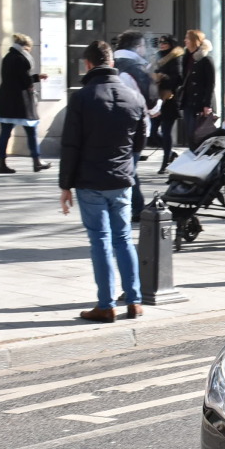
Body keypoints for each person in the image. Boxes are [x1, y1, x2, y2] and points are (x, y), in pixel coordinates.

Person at [58, 40, 145, 324]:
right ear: (113, 64)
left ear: (88, 64)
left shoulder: (82, 98)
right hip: (121, 179)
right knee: (123, 238)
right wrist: (126, 163)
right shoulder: (133, 96)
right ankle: (134, 301)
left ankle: (106, 305)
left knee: (101, 241)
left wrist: (65, 185)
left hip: (90, 179)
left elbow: (70, 144)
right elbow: (141, 140)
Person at [112, 30, 161, 222]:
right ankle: (135, 206)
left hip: (106, 124)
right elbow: (152, 104)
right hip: (134, 126)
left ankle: (130, 205)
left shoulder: (109, 64)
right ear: (139, 46)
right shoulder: (139, 68)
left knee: (123, 167)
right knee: (129, 168)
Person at [0, 33, 50, 174]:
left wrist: (33, 78)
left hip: (6, 99)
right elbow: (24, 80)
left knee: (5, 132)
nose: (29, 51)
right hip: (20, 100)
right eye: (29, 49)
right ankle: (36, 161)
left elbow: (14, 77)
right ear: (25, 47)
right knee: (31, 131)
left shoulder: (7, 57)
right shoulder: (21, 58)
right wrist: (36, 78)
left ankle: (1, 163)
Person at [150, 34, 185, 174]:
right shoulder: (158, 56)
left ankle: (165, 162)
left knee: (166, 131)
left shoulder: (176, 57)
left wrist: (163, 78)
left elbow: (178, 78)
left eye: (165, 42)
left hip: (170, 98)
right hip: (157, 97)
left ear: (171, 43)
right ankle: (170, 153)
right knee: (153, 131)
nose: (162, 45)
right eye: (160, 42)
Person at [178, 29, 216, 147]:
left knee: (198, 135)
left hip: (200, 103)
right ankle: (193, 158)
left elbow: (211, 83)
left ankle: (199, 160)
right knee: (190, 134)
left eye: (187, 38)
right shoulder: (186, 58)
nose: (185, 41)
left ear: (195, 41)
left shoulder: (206, 59)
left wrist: (207, 105)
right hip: (188, 101)